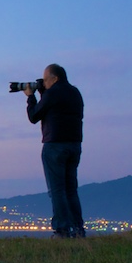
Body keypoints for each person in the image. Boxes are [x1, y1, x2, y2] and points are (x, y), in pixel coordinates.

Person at [23, 64, 85, 238]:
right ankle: (78, 229)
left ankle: (62, 230)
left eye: (45, 79)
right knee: (71, 189)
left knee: (57, 190)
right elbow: (55, 108)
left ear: (55, 78)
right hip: (74, 145)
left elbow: (34, 116)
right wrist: (44, 93)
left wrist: (30, 97)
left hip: (55, 145)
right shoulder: (75, 92)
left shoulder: (53, 93)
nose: (43, 82)